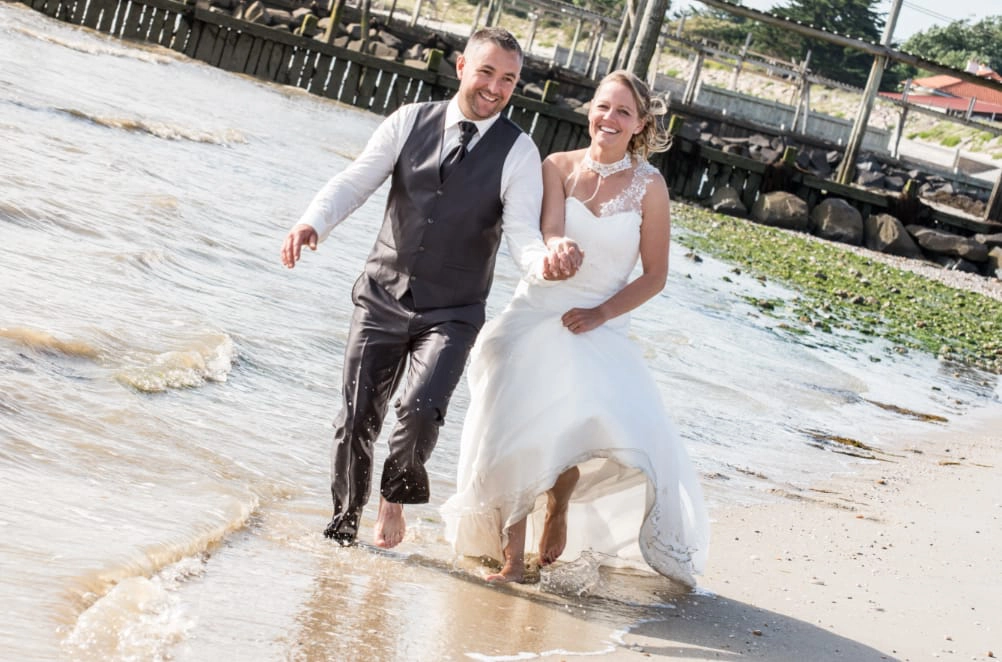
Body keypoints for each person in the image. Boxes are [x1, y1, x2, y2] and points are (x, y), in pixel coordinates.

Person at [280, 28, 581, 549]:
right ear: (461, 66)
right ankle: (343, 528)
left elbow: (521, 234)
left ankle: (393, 496)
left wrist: (543, 265)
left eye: (509, 80)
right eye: (486, 72)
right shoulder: (408, 120)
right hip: (381, 293)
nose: (495, 88)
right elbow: (356, 180)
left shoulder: (518, 151)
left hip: (453, 310)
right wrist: (314, 221)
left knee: (420, 412)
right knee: (355, 418)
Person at [441, 70, 710, 585]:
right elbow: (548, 229)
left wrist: (601, 314)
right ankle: (512, 559)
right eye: (603, 106)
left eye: (623, 112)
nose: (610, 118)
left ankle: (558, 504)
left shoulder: (650, 187)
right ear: (590, 110)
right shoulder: (556, 167)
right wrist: (555, 246)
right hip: (537, 306)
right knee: (509, 426)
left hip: (598, 322)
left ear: (640, 124)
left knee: (568, 426)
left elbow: (655, 276)